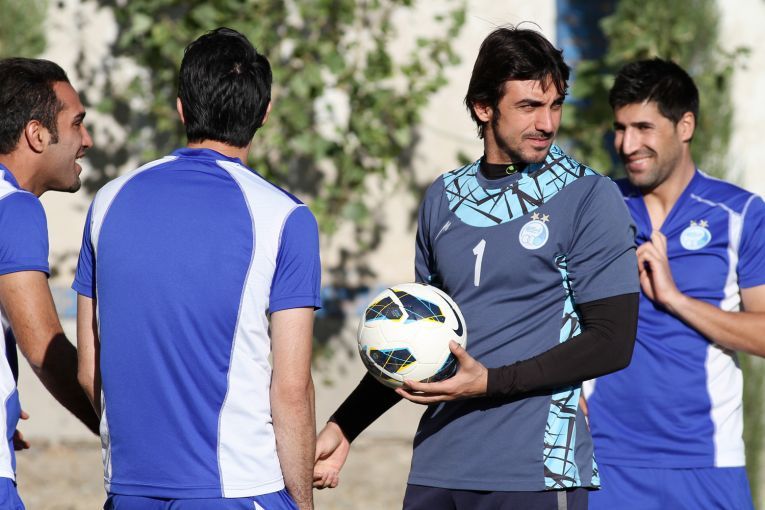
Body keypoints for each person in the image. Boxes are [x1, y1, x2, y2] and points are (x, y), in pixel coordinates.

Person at [313, 26, 639, 509]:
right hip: (437, 467)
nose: (547, 123)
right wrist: (345, 426)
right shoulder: (443, 197)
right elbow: (420, 340)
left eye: (555, 105)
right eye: (529, 106)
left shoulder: (589, 195)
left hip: (535, 474)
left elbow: (613, 341)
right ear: (484, 107)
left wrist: (489, 383)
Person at [74, 28, 320, 510]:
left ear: (181, 109)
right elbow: (291, 390)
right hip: (238, 489)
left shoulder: (108, 201)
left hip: (129, 490)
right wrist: (303, 502)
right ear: (264, 112)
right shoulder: (286, 217)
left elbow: (89, 371)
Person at [583, 58, 765, 510]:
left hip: (707, 464)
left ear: (685, 126)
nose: (627, 144)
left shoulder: (740, 214)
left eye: (643, 127)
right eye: (620, 128)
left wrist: (675, 299)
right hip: (606, 461)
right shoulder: (594, 209)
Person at [0, 57, 99, 507]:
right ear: (37, 134)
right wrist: (116, 431)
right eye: (76, 123)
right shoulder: (14, 207)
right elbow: (44, 348)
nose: (86, 140)